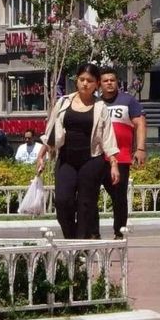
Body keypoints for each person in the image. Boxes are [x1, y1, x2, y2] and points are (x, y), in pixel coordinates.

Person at [36, 63, 120, 240]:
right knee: (62, 201)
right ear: (76, 80)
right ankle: (71, 237)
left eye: (90, 81)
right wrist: (41, 154)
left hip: (91, 160)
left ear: (97, 84)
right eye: (82, 79)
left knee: (85, 205)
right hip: (66, 159)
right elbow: (51, 131)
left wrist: (113, 164)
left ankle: (80, 244)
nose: (85, 84)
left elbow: (107, 137)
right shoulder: (63, 102)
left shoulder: (100, 107)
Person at [98, 66, 147, 240]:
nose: (109, 83)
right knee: (89, 196)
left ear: (117, 82)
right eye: (105, 81)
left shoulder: (128, 101)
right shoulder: (95, 103)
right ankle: (92, 234)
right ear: (99, 84)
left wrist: (140, 149)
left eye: (112, 80)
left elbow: (140, 123)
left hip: (121, 158)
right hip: (97, 158)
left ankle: (119, 232)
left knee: (119, 197)